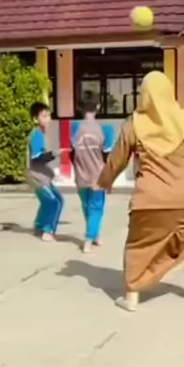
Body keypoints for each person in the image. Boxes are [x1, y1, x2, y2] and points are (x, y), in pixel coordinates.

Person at [97, 71, 184, 312]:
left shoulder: (133, 123)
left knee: (138, 246)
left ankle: (131, 298)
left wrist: (104, 182)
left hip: (149, 200)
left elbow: (117, 160)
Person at [70, 100, 114, 253]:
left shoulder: (74, 128)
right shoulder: (105, 129)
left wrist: (77, 170)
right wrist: (109, 178)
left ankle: (95, 235)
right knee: (96, 208)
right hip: (98, 176)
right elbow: (108, 157)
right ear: (98, 108)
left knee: (86, 206)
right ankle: (89, 239)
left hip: (81, 175)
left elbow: (72, 154)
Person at [27, 102, 64, 242]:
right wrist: (55, 153)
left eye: (49, 116)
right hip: (37, 176)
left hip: (43, 175)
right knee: (53, 202)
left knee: (54, 201)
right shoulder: (36, 135)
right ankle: (47, 231)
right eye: (44, 116)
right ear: (35, 119)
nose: (48, 119)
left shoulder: (42, 134)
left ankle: (39, 227)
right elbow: (38, 157)